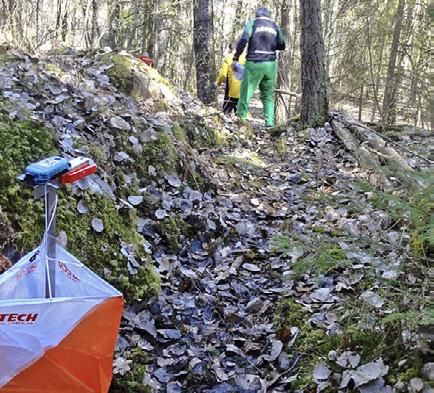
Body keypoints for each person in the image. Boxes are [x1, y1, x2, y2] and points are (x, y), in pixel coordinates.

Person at [233, 6, 285, 127]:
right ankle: (270, 124)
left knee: (246, 93)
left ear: (257, 14)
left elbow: (244, 39)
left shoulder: (253, 22)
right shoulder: (275, 25)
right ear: (268, 15)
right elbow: (282, 45)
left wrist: (236, 56)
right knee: (268, 96)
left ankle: (241, 121)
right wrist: (270, 45)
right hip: (270, 65)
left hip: (254, 63)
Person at [216, 44, 246, 115]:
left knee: (226, 112)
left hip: (231, 89)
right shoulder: (246, 57)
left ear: (230, 49)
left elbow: (223, 74)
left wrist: (218, 83)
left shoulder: (228, 58)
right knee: (240, 114)